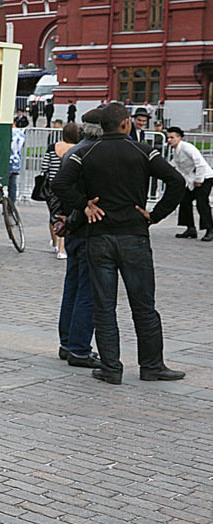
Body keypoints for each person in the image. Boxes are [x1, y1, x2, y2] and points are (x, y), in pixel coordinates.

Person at [52, 102, 186, 385]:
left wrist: (83, 205)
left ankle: (111, 367)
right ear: (126, 123)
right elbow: (176, 181)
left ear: (103, 126)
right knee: (144, 305)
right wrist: (155, 214)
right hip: (134, 236)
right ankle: (151, 365)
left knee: (104, 306)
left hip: (99, 237)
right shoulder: (143, 151)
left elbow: (59, 184)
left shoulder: (86, 153)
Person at [53, 109, 104, 369]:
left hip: (73, 227)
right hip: (85, 227)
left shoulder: (76, 151)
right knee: (86, 289)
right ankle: (79, 347)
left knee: (73, 286)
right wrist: (80, 211)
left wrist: (62, 218)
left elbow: (57, 188)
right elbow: (64, 188)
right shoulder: (90, 153)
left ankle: (68, 342)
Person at [40, 122, 81, 259]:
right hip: (70, 186)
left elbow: (44, 166)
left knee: (53, 215)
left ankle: (55, 243)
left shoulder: (53, 147)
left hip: (52, 187)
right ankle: (62, 250)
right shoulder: (77, 149)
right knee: (66, 215)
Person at [166, 127, 213, 241]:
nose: (169, 140)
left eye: (172, 137)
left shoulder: (187, 147)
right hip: (192, 180)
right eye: (168, 137)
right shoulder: (175, 150)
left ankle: (210, 230)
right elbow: (174, 164)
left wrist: (199, 180)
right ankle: (190, 229)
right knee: (184, 200)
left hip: (205, 177)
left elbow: (200, 163)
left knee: (202, 203)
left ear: (179, 138)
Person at [9, 122, 26, 205]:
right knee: (12, 185)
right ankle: (11, 207)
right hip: (16, 162)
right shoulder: (21, 133)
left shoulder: (9, 132)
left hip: (8, 160)